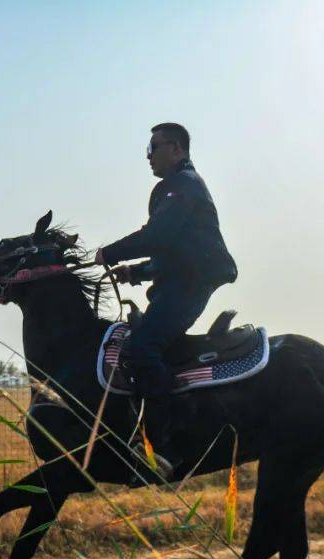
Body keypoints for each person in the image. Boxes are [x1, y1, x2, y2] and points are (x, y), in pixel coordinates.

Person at [95, 122, 237, 476]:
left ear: (176, 149)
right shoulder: (175, 188)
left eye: (153, 148)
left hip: (191, 285)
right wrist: (137, 272)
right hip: (181, 280)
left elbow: (158, 235)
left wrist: (110, 252)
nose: (148, 156)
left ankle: (163, 447)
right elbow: (171, 250)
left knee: (144, 346)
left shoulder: (183, 186)